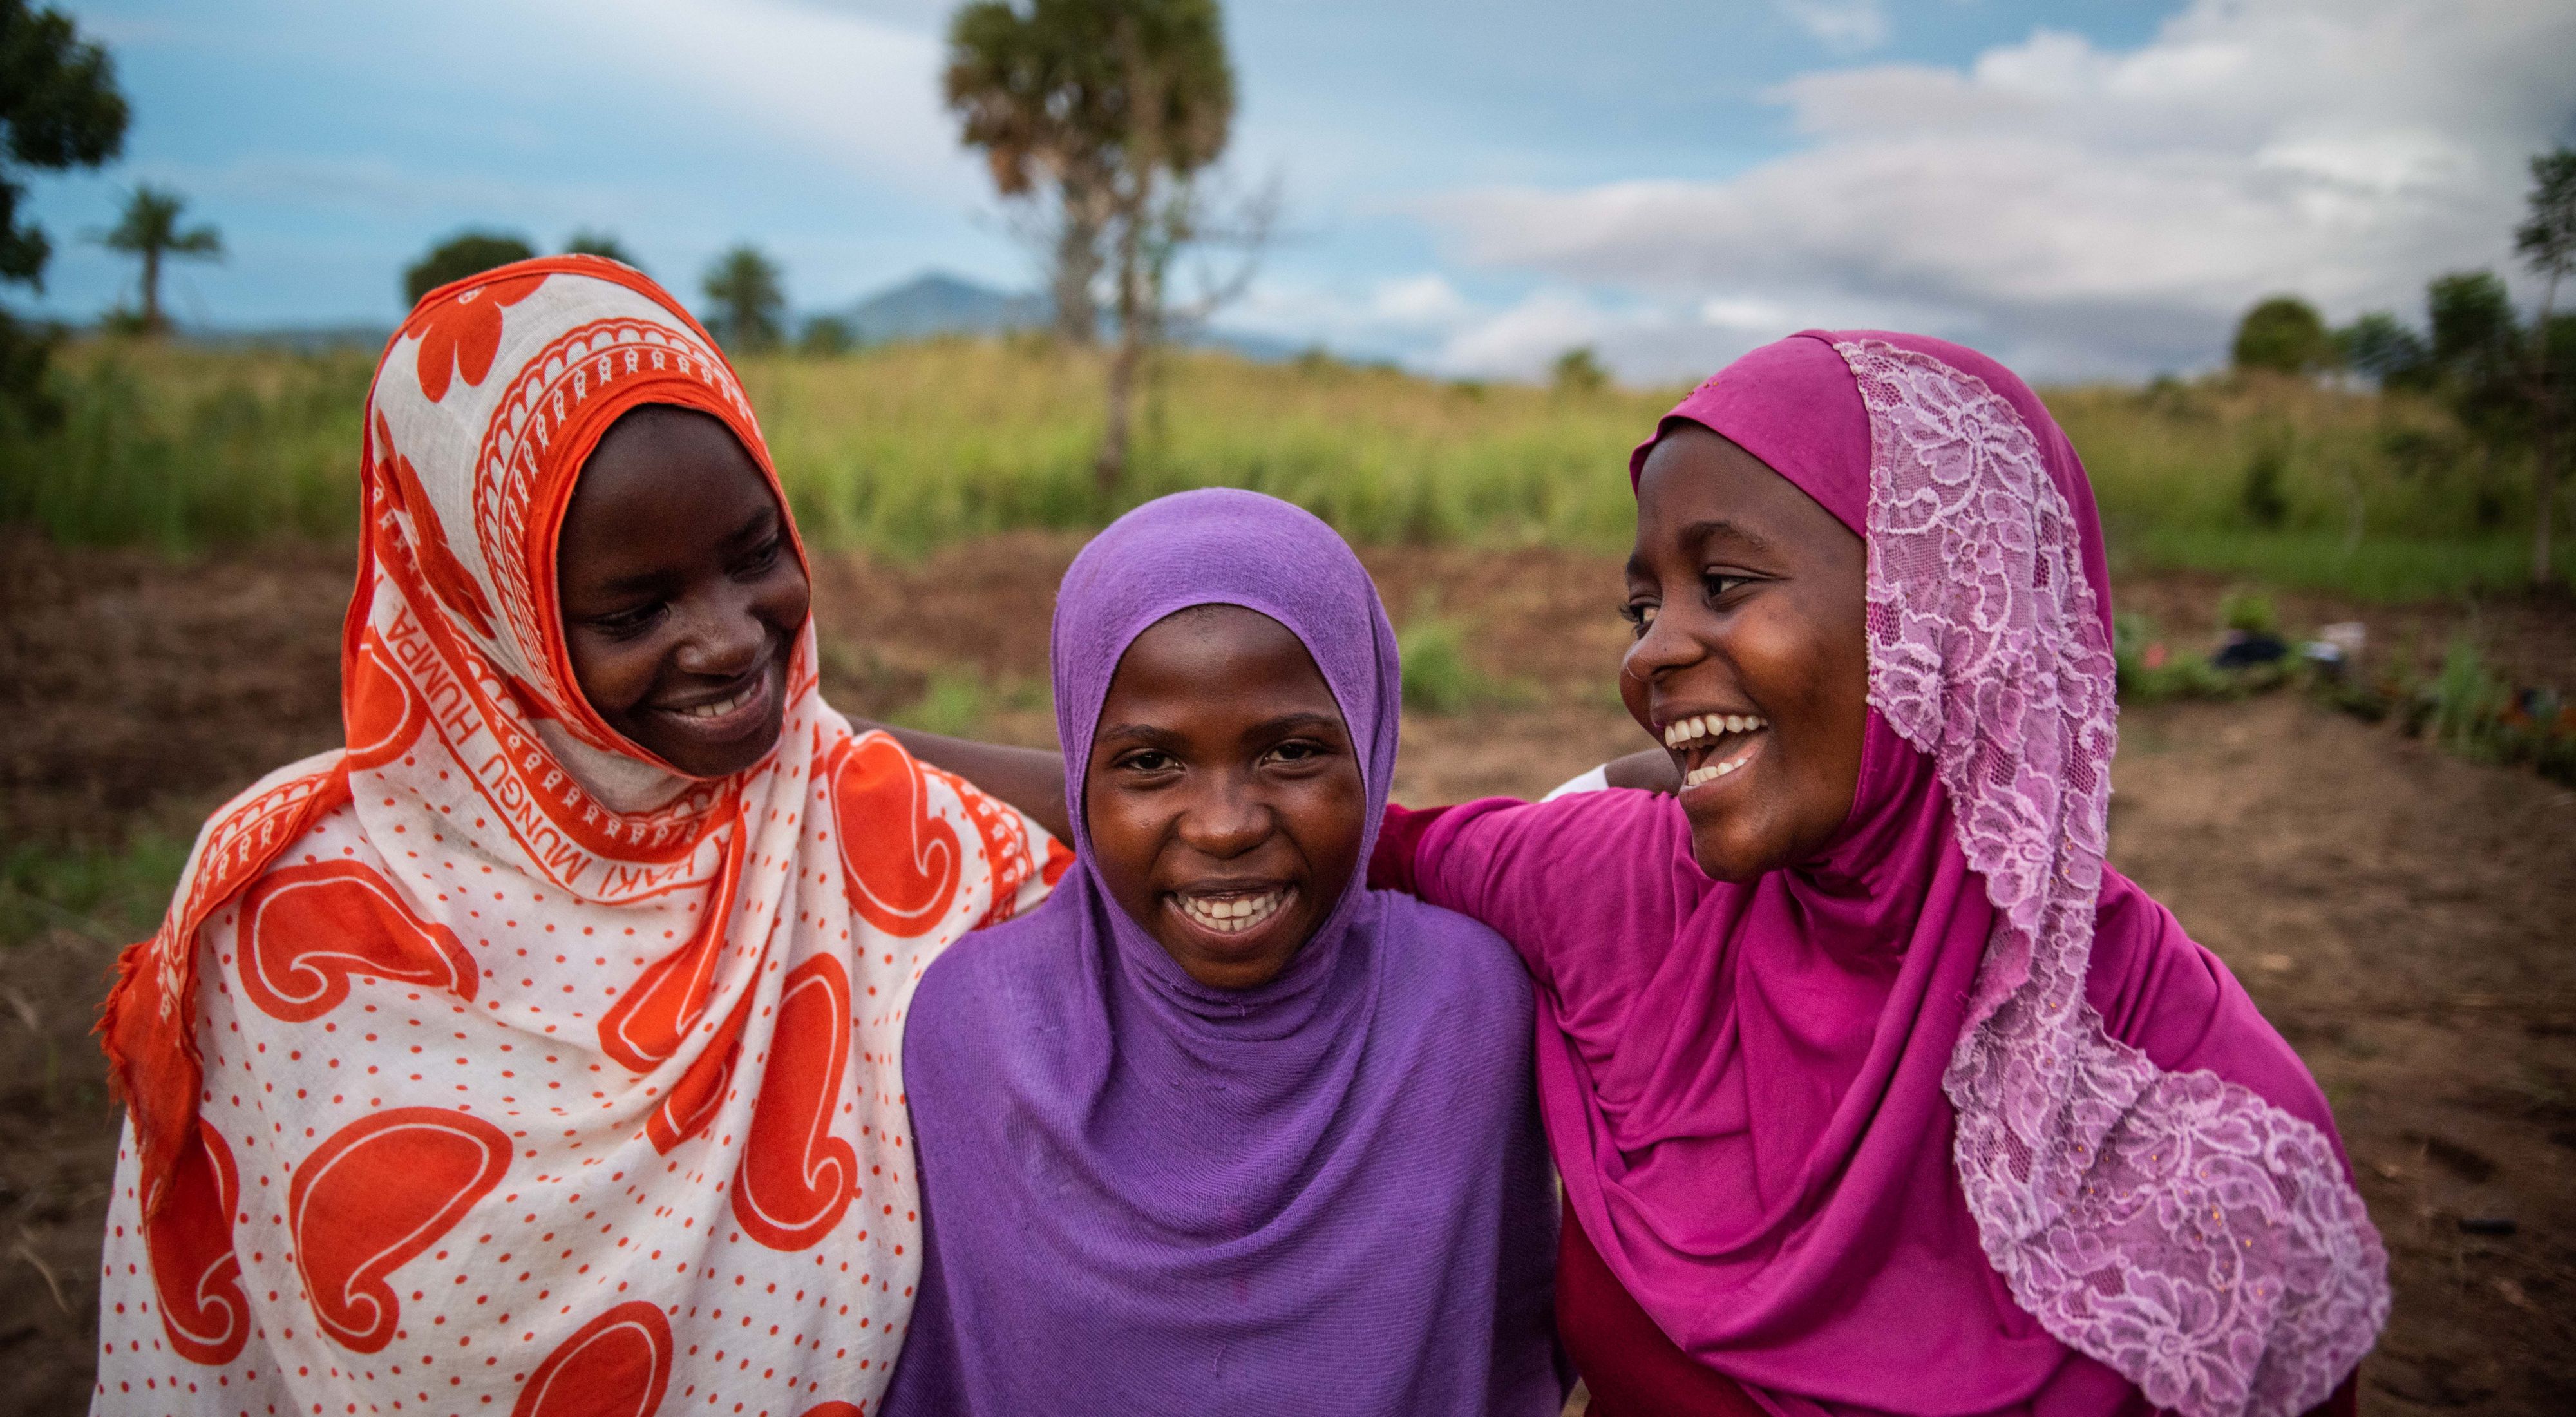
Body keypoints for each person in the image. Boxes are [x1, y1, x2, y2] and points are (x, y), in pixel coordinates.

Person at [91, 256, 1063, 1417]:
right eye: (633, 610)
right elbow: (196, 1338)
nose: (728, 640)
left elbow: (1209, 849)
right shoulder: (284, 912)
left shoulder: (869, 824)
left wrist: (885, 749)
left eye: (756, 553)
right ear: (487, 613)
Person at [1365, 332, 2389, 1417]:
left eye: (1721, 582)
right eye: (1643, 606)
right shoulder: (1624, 892)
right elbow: (1333, 846)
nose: (1649, 655)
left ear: (1949, 615)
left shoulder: (2211, 1133)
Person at [879, 490, 1562, 1417]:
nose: (1226, 826)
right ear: (1079, 769)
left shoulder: (1467, 1009)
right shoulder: (974, 1028)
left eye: (1291, 752)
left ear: (1371, 737)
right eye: (1151, 764)